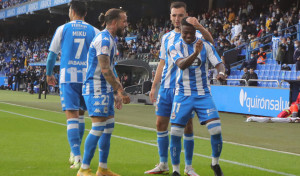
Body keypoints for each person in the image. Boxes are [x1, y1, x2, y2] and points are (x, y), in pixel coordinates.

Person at [146, 2, 214, 176]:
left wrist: (198, 25)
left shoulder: (195, 34)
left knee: (187, 126)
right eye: (174, 15)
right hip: (167, 88)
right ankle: (163, 164)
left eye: (180, 15)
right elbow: (162, 62)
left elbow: (211, 42)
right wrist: (154, 86)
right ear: (170, 16)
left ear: (186, 16)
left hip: (185, 89)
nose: (177, 19)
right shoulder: (166, 38)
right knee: (160, 124)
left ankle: (188, 167)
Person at [46, 1, 100, 169]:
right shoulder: (95, 31)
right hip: (87, 78)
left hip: (69, 77)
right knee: (81, 115)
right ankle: (75, 152)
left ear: (72, 11)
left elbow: (51, 56)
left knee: (71, 115)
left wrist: (49, 74)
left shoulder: (62, 29)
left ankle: (76, 156)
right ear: (85, 13)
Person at [168, 17, 225, 176]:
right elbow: (181, 64)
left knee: (216, 130)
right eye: (186, 33)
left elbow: (218, 63)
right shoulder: (174, 46)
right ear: (180, 31)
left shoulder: (205, 45)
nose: (189, 36)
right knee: (176, 133)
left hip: (203, 94)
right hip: (182, 94)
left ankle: (215, 163)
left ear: (196, 32)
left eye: (192, 33)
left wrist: (221, 73)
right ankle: (176, 170)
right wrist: (195, 53)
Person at [77, 8, 130, 176]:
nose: (126, 24)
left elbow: (110, 69)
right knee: (98, 127)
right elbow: (105, 70)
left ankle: (103, 168)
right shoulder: (104, 40)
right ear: (114, 22)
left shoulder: (110, 39)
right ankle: (84, 169)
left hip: (105, 89)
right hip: (95, 88)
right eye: (124, 21)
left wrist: (115, 93)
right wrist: (120, 91)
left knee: (108, 128)